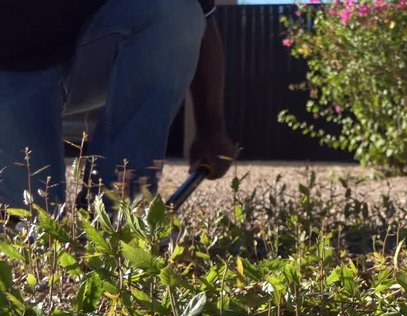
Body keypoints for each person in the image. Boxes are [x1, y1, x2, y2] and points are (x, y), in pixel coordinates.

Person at [0, 0, 235, 210]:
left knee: (174, 8)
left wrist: (211, 127)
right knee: (32, 221)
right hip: (12, 68)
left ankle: (118, 202)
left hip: (90, 52)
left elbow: (201, 14)